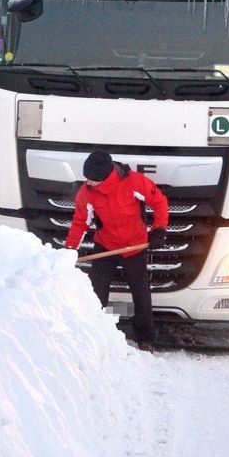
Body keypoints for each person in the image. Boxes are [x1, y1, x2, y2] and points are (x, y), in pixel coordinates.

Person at [64, 151, 169, 352]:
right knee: (96, 293)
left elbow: (159, 202)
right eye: (86, 178)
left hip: (134, 246)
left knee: (141, 295)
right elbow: (80, 223)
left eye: (92, 179)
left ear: (105, 176)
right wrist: (69, 250)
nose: (88, 182)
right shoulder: (86, 193)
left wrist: (159, 229)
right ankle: (93, 334)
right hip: (106, 246)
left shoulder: (135, 183)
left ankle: (145, 338)